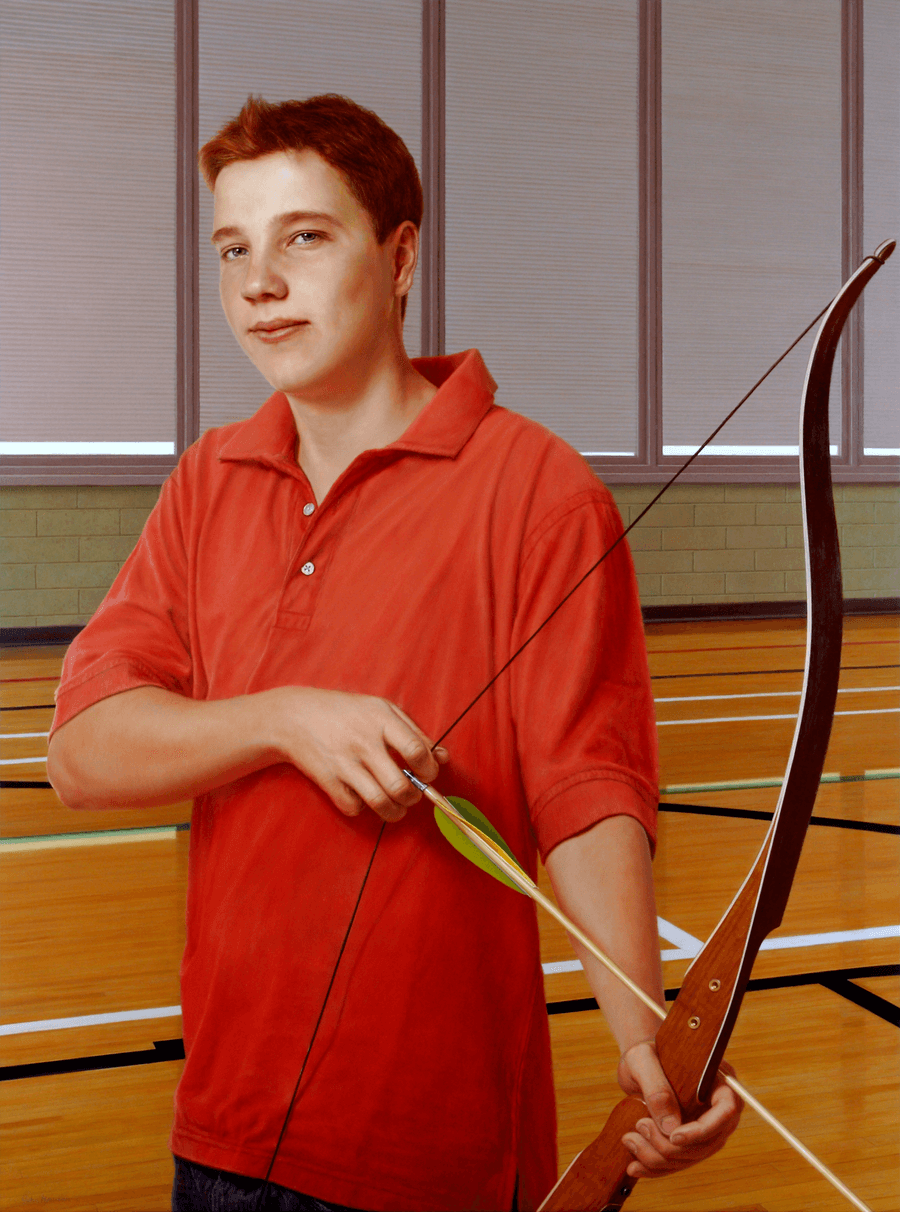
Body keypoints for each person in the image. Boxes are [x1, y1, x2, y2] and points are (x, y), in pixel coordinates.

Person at [47, 94, 741, 1212]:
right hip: (220, 1134)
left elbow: (585, 792)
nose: (259, 284)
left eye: (303, 239)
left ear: (401, 254)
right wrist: (285, 716)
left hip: (433, 1155)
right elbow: (82, 754)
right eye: (234, 250)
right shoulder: (207, 479)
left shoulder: (542, 492)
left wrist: (650, 1043)